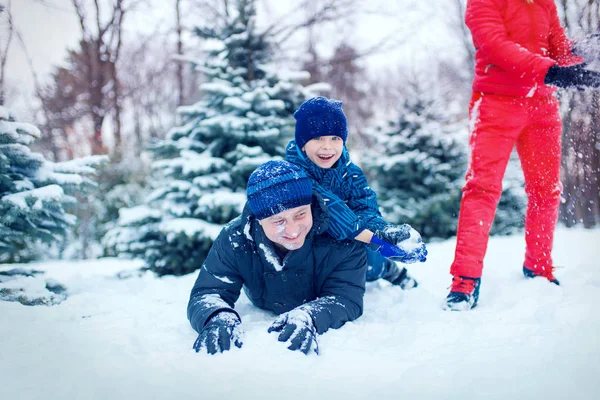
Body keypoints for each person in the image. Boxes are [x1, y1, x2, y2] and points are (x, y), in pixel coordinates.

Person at [444, 0, 600, 311]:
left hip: (542, 106)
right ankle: (465, 280)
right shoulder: (483, 3)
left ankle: (539, 267)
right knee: (482, 189)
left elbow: (557, 47)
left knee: (546, 191)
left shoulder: (544, 2)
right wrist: (551, 71)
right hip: (495, 103)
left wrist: (580, 65)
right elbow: (497, 46)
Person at [187, 160, 366, 355]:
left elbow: (346, 296)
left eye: (300, 214)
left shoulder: (342, 238)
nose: (292, 230)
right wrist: (217, 316)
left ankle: (394, 271)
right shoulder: (234, 239)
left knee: (375, 264)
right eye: (279, 220)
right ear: (259, 220)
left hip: (356, 262)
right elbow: (208, 292)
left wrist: (310, 316)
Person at [286, 96, 428, 290]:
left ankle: (391, 271)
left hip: (347, 242)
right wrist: (373, 238)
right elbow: (328, 207)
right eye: (318, 138)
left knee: (370, 259)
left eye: (335, 138)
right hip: (304, 247)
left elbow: (365, 208)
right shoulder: (292, 174)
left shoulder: (351, 174)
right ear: (302, 143)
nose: (327, 146)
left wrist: (383, 232)